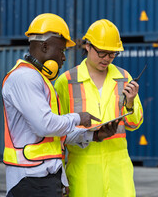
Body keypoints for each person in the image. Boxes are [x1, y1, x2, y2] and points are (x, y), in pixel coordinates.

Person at [2, 13, 120, 197]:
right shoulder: (24, 78)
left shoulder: (40, 80)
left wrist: (94, 135)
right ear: (45, 46)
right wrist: (78, 117)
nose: (64, 58)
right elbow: (45, 126)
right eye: (62, 50)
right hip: (29, 180)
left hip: (43, 178)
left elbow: (55, 137)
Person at [54, 19, 144, 196]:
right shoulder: (66, 81)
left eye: (112, 54)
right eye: (102, 53)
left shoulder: (124, 78)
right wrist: (60, 176)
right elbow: (57, 132)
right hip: (83, 170)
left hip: (119, 169)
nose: (107, 59)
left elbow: (135, 124)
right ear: (88, 46)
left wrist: (130, 103)